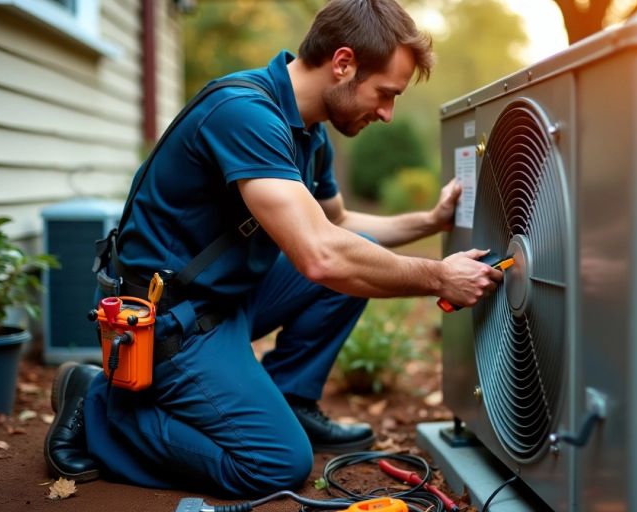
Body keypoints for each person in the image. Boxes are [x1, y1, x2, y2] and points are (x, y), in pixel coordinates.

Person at [43, 0, 503, 496]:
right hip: (164, 322)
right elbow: (321, 256)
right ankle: (95, 407)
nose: (388, 114)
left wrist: (429, 221)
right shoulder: (244, 114)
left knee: (358, 250)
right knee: (275, 465)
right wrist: (438, 276)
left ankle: (289, 400)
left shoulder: (309, 132)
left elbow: (339, 224)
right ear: (343, 63)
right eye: (385, 94)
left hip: (222, 298)